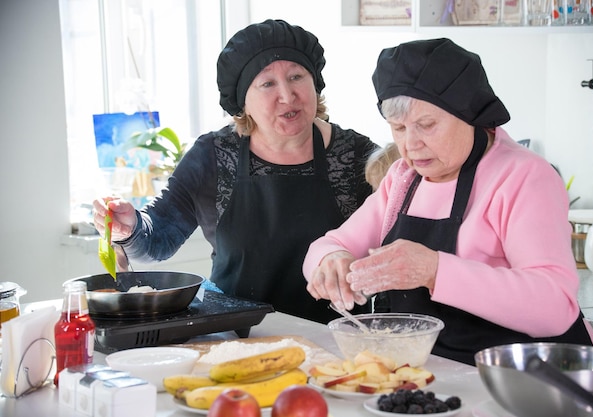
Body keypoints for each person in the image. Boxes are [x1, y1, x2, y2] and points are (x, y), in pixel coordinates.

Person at [303, 38, 593, 365]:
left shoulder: (525, 177)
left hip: (523, 380)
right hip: (435, 375)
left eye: (426, 125)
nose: (411, 144)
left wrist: (433, 270)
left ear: (468, 113)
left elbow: (554, 307)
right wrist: (331, 261)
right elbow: (329, 244)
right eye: (398, 128)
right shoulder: (404, 179)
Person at [93, 19, 379, 324]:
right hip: (237, 337)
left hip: (336, 341)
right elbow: (158, 239)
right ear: (244, 101)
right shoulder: (213, 155)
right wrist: (131, 227)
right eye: (267, 83)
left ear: (315, 83)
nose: (287, 94)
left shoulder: (359, 156)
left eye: (297, 76)